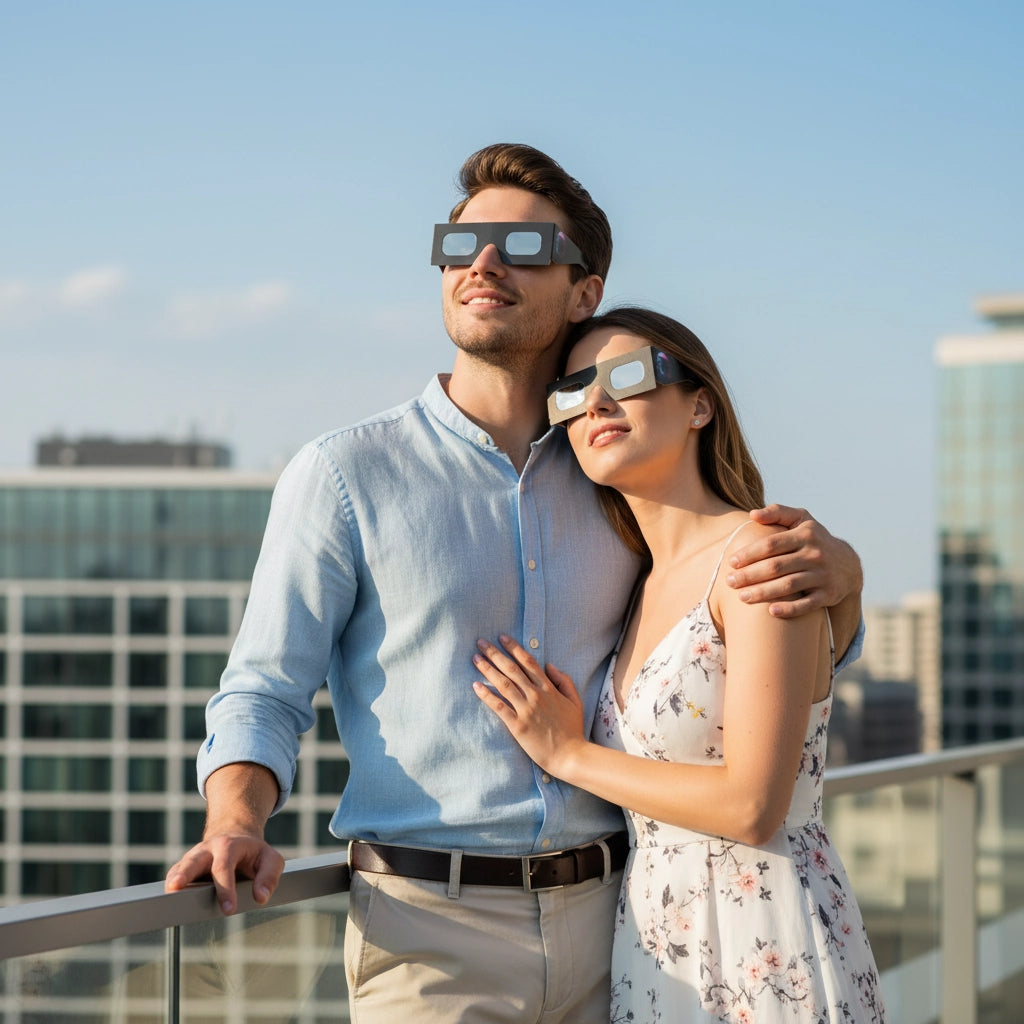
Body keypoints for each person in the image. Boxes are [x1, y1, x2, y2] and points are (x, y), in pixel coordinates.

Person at [165, 144, 866, 1024]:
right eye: (460, 247)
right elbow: (264, 690)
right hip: (428, 937)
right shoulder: (344, 474)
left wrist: (844, 583)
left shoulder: (620, 475)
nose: (484, 264)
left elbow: (728, 648)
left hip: (629, 930)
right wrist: (236, 822)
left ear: (585, 290)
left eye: (525, 245)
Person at [472, 306, 884, 1023]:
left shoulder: (758, 559)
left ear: (700, 404)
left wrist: (567, 752)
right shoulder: (634, 584)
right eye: (570, 391)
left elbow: (752, 808)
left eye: (626, 376)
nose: (596, 401)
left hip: (765, 942)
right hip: (659, 951)